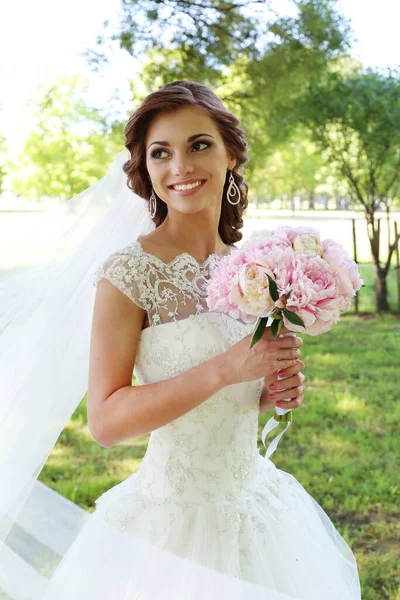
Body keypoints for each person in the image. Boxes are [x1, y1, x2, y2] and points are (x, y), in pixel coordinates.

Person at [0, 80, 362, 600]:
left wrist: (264, 391)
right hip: (171, 526)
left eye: (199, 145)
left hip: (257, 505)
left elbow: (227, 396)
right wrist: (228, 368)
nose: (180, 167)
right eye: (160, 153)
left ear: (231, 154)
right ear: (145, 170)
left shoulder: (254, 268)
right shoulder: (129, 273)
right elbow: (105, 422)